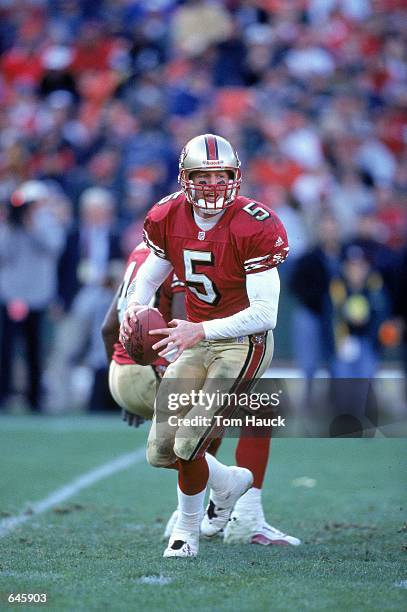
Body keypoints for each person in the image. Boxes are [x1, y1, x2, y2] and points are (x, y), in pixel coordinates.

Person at [121, 134, 291, 558]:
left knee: (189, 441)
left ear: (235, 177)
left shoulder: (257, 223)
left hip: (241, 343)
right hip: (195, 337)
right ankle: (229, 481)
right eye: (204, 176)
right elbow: (150, 276)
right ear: (186, 178)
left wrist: (201, 331)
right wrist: (134, 309)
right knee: (160, 451)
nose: (213, 184)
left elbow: (266, 314)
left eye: (221, 175)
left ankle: (187, 533)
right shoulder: (166, 214)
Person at [103, 242, 300, 548]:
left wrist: (122, 384)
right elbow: (188, 328)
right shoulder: (179, 248)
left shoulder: (142, 252)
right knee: (255, 408)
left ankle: (199, 509)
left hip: (122, 370)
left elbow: (108, 327)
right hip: (155, 366)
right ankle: (244, 514)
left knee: (207, 419)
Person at [0, 180, 66, 412]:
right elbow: (4, 253)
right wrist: (10, 223)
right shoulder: (11, 225)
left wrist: (32, 225)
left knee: (34, 349)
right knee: (5, 348)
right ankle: (4, 394)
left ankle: (35, 397)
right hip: (11, 294)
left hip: (38, 295)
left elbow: (54, 246)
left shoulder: (48, 223)